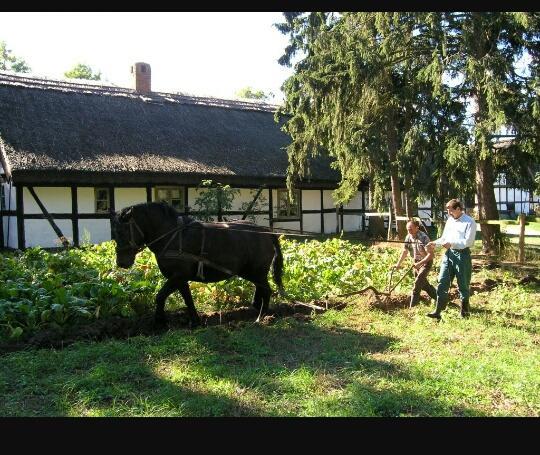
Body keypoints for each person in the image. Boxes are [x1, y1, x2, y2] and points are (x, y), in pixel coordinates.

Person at [426, 198, 477, 320]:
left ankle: (465, 313)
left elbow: (469, 242)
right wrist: (434, 243)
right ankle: (437, 311)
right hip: (449, 255)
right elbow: (444, 238)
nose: (448, 212)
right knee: (442, 281)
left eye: (450, 210)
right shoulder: (450, 221)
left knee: (463, 284)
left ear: (458, 209)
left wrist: (452, 243)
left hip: (462, 255)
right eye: (447, 210)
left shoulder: (469, 222)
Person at [394, 220, 437, 308]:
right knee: (424, 285)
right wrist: (398, 264)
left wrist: (420, 263)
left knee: (417, 284)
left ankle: (413, 307)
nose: (409, 231)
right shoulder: (408, 237)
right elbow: (405, 251)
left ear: (417, 228)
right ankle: (441, 299)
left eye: (410, 229)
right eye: (407, 229)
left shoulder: (424, 237)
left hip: (426, 262)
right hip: (416, 262)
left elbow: (431, 255)